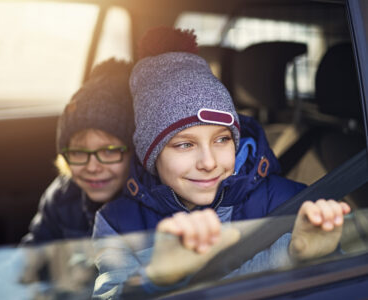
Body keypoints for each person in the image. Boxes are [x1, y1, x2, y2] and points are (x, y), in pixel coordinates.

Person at [91, 27, 351, 297]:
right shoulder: (116, 223)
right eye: (185, 144)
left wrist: (313, 256)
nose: (208, 162)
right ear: (151, 154)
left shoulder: (294, 201)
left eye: (222, 140)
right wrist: (155, 278)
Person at [21, 58, 135, 245]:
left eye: (109, 151)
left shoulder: (148, 205)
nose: (92, 167)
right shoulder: (62, 197)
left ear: (135, 153)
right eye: (79, 152)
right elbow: (34, 255)